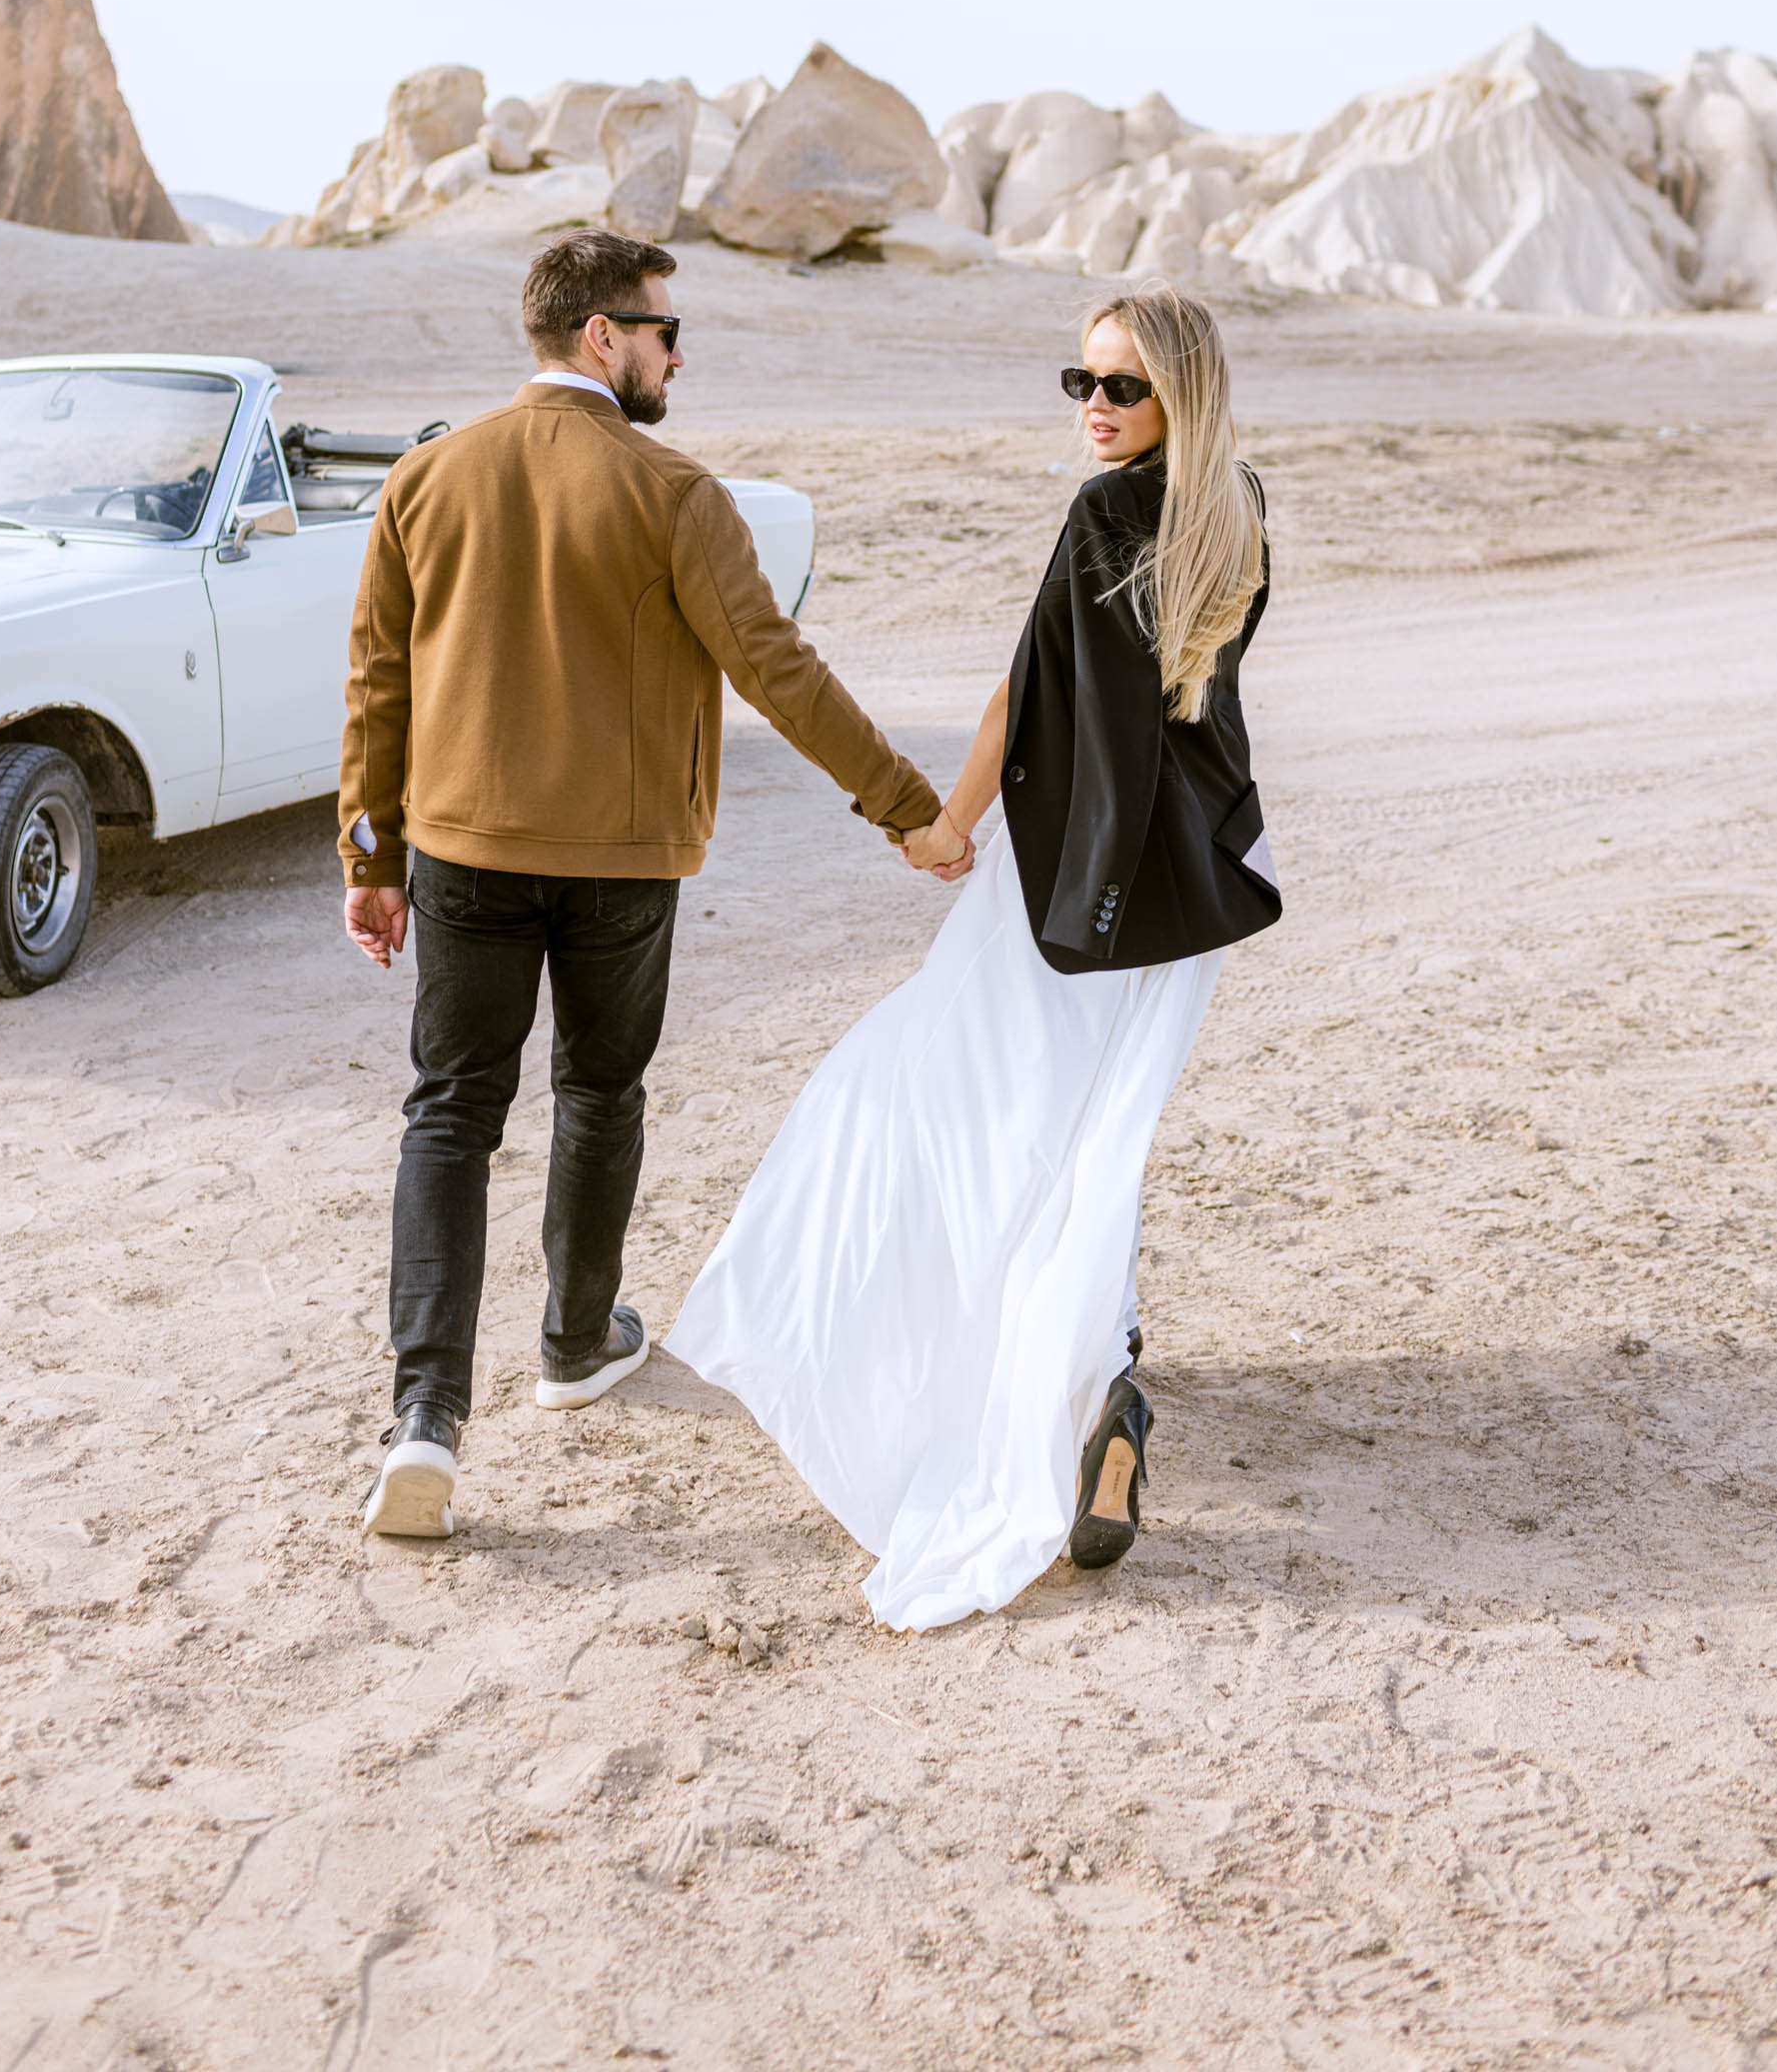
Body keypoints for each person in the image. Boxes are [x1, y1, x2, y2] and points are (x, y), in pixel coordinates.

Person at [667, 280, 1279, 1631]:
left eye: (1121, 387)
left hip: (1078, 881)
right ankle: (1104, 1399)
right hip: (1202, 875)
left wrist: (944, 820)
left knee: (925, 1102)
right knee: (1092, 1134)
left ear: (1178, 391)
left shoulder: (1106, 514)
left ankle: (1028, 1392)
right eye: (1081, 383)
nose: (1095, 409)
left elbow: (1025, 687)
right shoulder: (1233, 509)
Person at [342, 231, 940, 1539]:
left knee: (451, 1112)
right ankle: (570, 1345)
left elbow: (377, 682)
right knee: (598, 1092)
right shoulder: (674, 491)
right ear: (602, 337)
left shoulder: (426, 478)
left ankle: (424, 1421)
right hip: (618, 868)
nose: (678, 353)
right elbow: (776, 671)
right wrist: (908, 812)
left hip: (460, 852)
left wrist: (369, 859)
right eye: (666, 329)